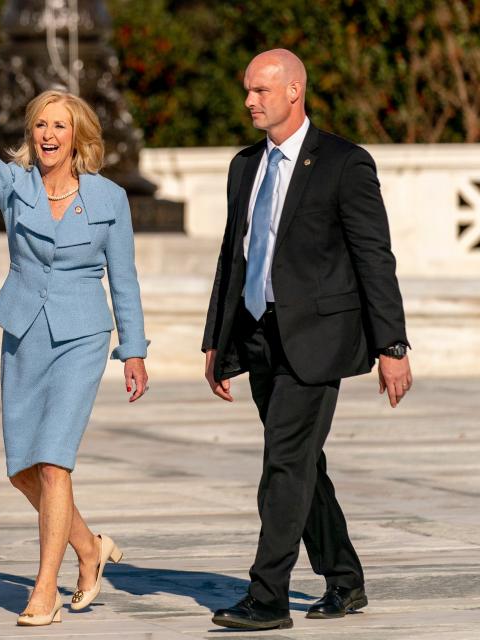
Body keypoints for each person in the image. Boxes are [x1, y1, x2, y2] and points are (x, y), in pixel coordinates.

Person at [0, 37, 149, 626]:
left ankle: (44, 590)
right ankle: (90, 546)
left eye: (60, 125)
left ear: (78, 135)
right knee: (22, 467)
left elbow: (123, 279)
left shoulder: (110, 198)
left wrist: (134, 350)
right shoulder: (17, 187)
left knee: (54, 463)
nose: (49, 134)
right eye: (40, 125)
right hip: (24, 333)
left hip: (81, 336)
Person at [202, 49, 413, 631]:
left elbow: (375, 257)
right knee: (302, 465)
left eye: (261, 91)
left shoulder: (345, 162)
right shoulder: (245, 164)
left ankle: (267, 596)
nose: (249, 101)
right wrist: (217, 341)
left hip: (319, 340)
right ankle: (345, 578)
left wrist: (392, 347)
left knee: (283, 465)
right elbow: (233, 256)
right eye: (247, 90)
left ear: (295, 91)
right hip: (259, 335)